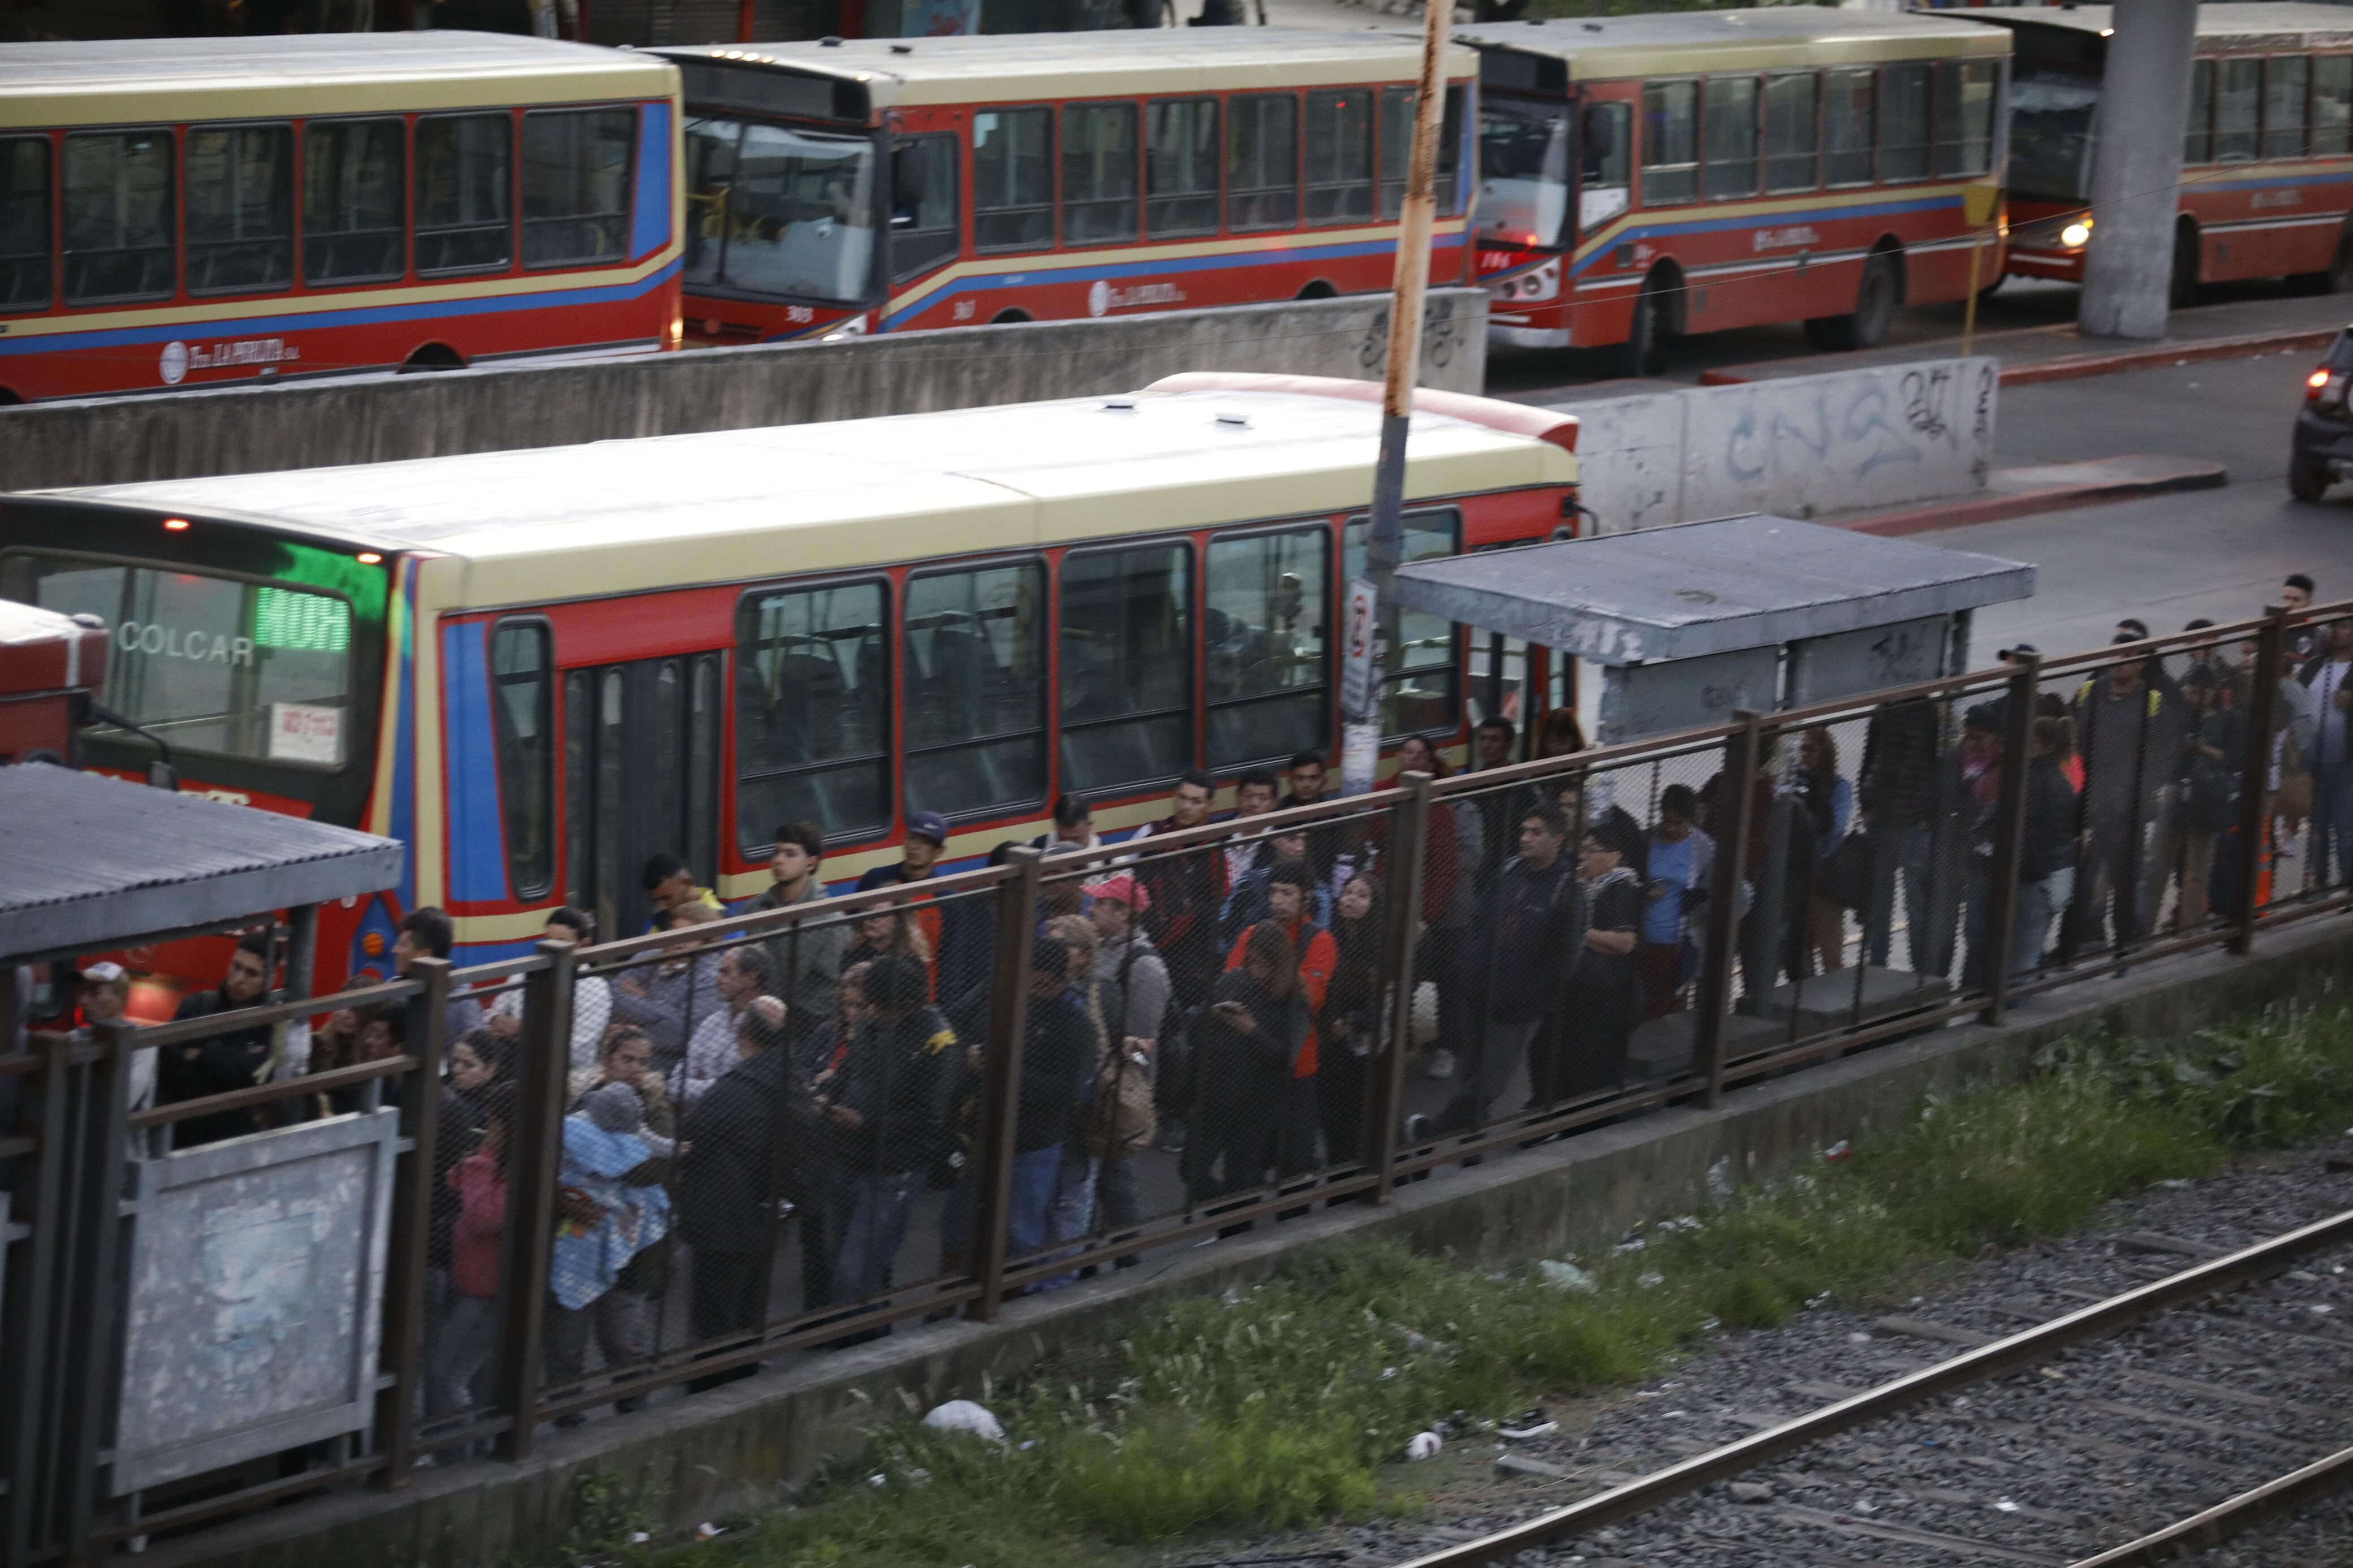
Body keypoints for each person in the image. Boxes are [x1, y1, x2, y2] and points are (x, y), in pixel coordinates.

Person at [1413, 805, 1584, 1138]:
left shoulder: (1566, 889)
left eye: (1536, 833)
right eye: (1524, 831)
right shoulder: (1510, 871)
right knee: (1472, 1072)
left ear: (1558, 839)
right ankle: (1471, 1142)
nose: (1526, 839)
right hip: (1477, 989)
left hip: (1516, 1004)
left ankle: (1430, 1132)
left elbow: (1565, 956)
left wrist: (1536, 995)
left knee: (1491, 1081)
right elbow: (1479, 919)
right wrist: (1469, 963)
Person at [821, 956, 959, 1315]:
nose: (873, 1014)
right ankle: (870, 1337)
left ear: (908, 1004)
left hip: (894, 1170)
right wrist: (827, 1094)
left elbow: (931, 1119)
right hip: (846, 1157)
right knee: (846, 1263)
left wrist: (866, 1123)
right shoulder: (870, 1023)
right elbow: (850, 1071)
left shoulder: (938, 1042)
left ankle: (857, 1347)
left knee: (856, 1273)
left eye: (880, 1007)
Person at [546, 1077, 674, 1420]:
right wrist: (567, 1199)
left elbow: (655, 1166)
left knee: (623, 1342)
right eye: (626, 1059)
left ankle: (633, 1412)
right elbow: (552, 1171)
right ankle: (566, 1415)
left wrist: (610, 1161)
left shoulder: (654, 1110)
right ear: (608, 1057)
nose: (635, 1069)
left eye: (642, 1061)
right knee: (565, 1345)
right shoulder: (579, 1114)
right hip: (574, 1247)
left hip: (633, 1259)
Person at [678, 1000, 790, 1388]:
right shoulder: (791, 1080)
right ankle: (744, 1370)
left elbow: (692, 1135)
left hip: (722, 1214)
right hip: (768, 1210)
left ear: (743, 1035)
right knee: (749, 1301)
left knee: (714, 1307)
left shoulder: (733, 1089)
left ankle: (708, 1379)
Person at [1218, 860, 1335, 1174]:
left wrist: (1264, 980)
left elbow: (1310, 996)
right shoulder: (1253, 933)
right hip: (1253, 1065)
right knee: (1245, 1162)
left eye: (1287, 893)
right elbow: (1231, 982)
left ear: (1306, 897)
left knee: (1296, 1160)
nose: (1277, 901)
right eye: (1274, 893)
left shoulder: (1320, 940)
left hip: (1298, 1065)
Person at [1129, 770, 1230, 1133]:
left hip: (1192, 960)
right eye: (1182, 799)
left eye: (1196, 801)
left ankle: (1175, 1111)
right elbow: (1127, 884)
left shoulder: (1216, 847)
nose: (1187, 807)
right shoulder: (1152, 836)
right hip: (1147, 951)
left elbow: (1218, 906)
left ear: (1210, 806)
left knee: (1182, 1039)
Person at [1186, 922, 1312, 1202]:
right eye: (1251, 961)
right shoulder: (1235, 979)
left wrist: (1251, 1030)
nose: (1255, 970)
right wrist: (1213, 1014)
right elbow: (1193, 1019)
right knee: (1192, 1169)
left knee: (1241, 1179)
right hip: (1218, 1094)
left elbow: (1285, 1057)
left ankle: (1236, 1230)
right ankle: (1222, 1214)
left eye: (1262, 964)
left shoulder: (1294, 1002)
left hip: (1257, 1103)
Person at [2072, 636, 2184, 948]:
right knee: (2083, 877)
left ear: (2141, 664)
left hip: (2128, 809)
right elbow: (2074, 741)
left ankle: (2127, 940)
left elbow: (2166, 751)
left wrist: (2140, 788)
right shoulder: (2090, 693)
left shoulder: (2152, 701)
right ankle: (2078, 941)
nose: (2120, 661)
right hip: (2090, 803)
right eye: (2115, 654)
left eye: (2129, 656)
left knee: (2124, 878)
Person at [1083, 873, 1166, 1264]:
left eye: (1101, 903)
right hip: (1095, 1082)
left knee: (1117, 1181)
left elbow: (1144, 1041)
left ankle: (1128, 1260)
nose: (1093, 908)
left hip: (1118, 1091)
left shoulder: (1145, 966)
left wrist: (1128, 1093)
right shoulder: (1101, 949)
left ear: (1123, 913)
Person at [1533, 823, 1641, 1105]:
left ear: (1614, 857)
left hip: (1603, 996)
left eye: (1593, 851)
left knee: (1584, 1062)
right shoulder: (1580, 887)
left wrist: (1579, 932)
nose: (1584, 857)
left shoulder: (1621, 889)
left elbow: (1624, 941)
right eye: (1582, 850)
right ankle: (1544, 1106)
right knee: (1544, 1048)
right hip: (1573, 990)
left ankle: (1568, 1116)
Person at [856, 811, 987, 1038]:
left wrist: (943, 1015)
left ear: (939, 852)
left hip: (920, 1005)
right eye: (913, 838)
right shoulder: (875, 880)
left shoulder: (947, 899)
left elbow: (950, 961)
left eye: (926, 842)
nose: (916, 847)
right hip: (869, 998)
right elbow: (855, 934)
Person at [430, 1081, 515, 1423]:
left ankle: (458, 1456)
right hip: (473, 1284)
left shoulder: (512, 1166)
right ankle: (469, 1447)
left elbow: (483, 1217)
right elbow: (455, 1181)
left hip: (487, 1292)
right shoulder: (497, 1164)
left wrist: (481, 1162)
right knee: (470, 1378)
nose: (488, 1127)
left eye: (494, 1121)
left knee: (448, 1376)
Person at [1397, 733, 1479, 1082]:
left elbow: (1472, 857)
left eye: (1421, 755)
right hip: (1408, 910)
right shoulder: (1397, 801)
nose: (1413, 760)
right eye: (1407, 753)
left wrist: (1430, 861)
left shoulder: (1462, 809)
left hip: (1450, 913)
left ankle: (1449, 1047)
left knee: (1448, 981)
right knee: (1405, 979)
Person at [1859, 697, 1960, 979]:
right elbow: (1872, 756)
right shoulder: (1885, 709)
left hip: (1912, 820)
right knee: (1883, 903)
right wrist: (1866, 801)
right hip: (1887, 817)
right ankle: (1878, 969)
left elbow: (1942, 765)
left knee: (1914, 905)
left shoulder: (1931, 712)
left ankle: (1919, 973)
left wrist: (1930, 812)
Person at [162, 932, 277, 1147]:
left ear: (268, 980)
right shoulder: (196, 1006)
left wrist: (203, 1054)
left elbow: (256, 1072)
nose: (238, 979)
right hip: (181, 1134)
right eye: (236, 966)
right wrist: (228, 1065)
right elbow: (170, 1064)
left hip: (236, 1141)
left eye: (252, 974)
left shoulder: (271, 1025)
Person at [742, 822, 845, 1040]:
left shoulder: (827, 918)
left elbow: (789, 978)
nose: (778, 860)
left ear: (810, 863)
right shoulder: (755, 908)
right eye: (777, 852)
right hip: (758, 1014)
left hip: (806, 1028)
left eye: (790, 854)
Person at [485, 906, 611, 1073]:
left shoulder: (595, 988)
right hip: (516, 1067)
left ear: (584, 945)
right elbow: (490, 1014)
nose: (552, 951)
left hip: (568, 1077)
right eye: (549, 941)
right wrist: (496, 1019)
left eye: (562, 943)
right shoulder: (526, 972)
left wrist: (523, 1034)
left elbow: (578, 1052)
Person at [1318, 874, 1382, 1165]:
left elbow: (1384, 1000)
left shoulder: (1378, 947)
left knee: (1358, 1115)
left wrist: (1352, 1022)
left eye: (1361, 895)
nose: (1351, 899)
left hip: (1362, 1045)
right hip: (1329, 1041)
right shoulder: (1330, 938)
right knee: (1330, 1113)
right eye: (1348, 891)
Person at [1638, 785, 1713, 1019]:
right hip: (1640, 935)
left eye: (1678, 823)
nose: (1670, 828)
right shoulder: (1647, 839)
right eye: (1666, 821)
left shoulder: (1703, 848)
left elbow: (1713, 889)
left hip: (1673, 940)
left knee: (1663, 1002)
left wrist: (1696, 910)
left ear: (1690, 820)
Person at [673, 945, 773, 1104]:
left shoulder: (767, 1023)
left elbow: (744, 1092)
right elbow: (675, 1085)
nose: (718, 980)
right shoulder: (712, 1023)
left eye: (726, 973)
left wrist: (701, 1080)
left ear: (752, 978)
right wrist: (721, 1084)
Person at [1797, 725, 1855, 975]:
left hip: (1825, 874)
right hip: (1798, 873)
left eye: (1810, 749)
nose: (1805, 755)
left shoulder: (1838, 787)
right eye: (1802, 749)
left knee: (1830, 947)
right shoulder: (1799, 782)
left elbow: (1836, 830)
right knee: (1799, 945)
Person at [395, 908, 485, 1042]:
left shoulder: (463, 1004)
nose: (395, 950)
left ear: (424, 955)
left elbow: (479, 1052)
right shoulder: (394, 987)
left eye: (403, 945)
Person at [640, 853, 721, 932]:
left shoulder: (724, 920)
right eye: (656, 901)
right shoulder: (652, 927)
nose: (662, 908)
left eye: (667, 898)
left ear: (688, 883)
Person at [2285, 573, 2318, 661]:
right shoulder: (2271, 630)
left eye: (2296, 600)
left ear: (2309, 603)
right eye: (2286, 598)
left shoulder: (2316, 637)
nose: (2289, 604)